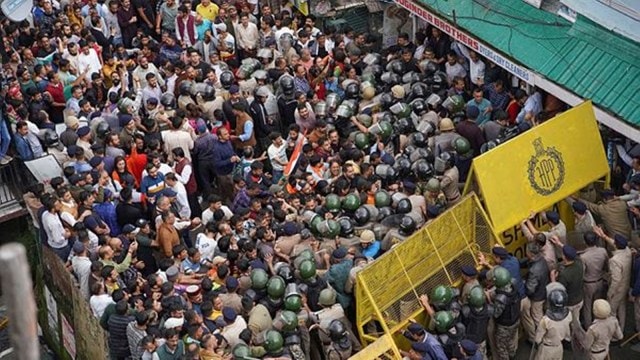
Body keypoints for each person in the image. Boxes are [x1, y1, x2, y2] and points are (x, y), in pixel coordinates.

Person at [594, 226, 632, 330]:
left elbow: (616, 280)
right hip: (625, 286)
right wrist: (603, 236)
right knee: (622, 308)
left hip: (617, 289)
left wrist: (610, 293)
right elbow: (615, 244)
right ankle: (622, 328)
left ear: (616, 244)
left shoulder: (615, 261)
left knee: (611, 312)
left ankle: (615, 334)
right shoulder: (627, 251)